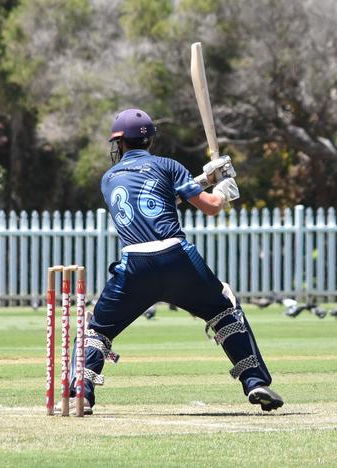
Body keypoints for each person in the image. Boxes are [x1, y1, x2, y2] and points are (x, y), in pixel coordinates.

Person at [69, 108, 283, 414]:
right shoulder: (168, 165)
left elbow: (153, 198)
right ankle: (255, 382)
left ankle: (81, 390)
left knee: (98, 329)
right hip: (178, 258)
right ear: (151, 140)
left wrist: (205, 179)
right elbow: (207, 207)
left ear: (120, 142)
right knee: (224, 310)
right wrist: (222, 189)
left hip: (135, 265)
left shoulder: (109, 178)